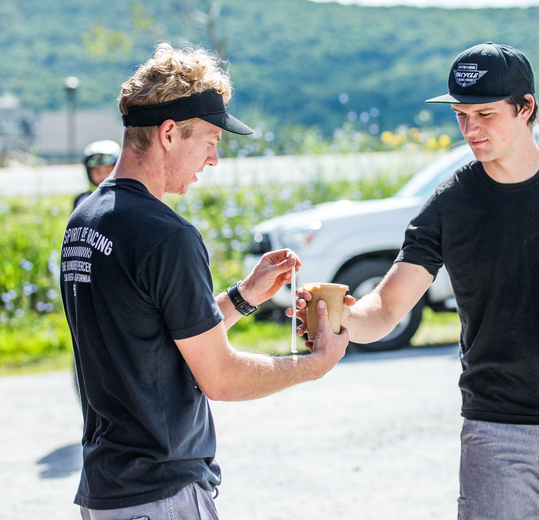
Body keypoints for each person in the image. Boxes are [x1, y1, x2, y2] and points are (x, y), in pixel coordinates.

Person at [297, 42, 539, 519]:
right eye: (460, 114)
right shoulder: (451, 203)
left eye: (485, 114)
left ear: (525, 107)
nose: (470, 129)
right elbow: (386, 309)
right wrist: (337, 316)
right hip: (495, 428)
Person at [60, 43, 349, 519]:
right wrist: (314, 365)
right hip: (161, 492)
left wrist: (245, 295)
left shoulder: (86, 220)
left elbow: (154, 334)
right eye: (211, 141)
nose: (214, 159)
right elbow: (220, 376)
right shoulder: (166, 236)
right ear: (170, 133)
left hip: (107, 487)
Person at [73, 139, 121, 209]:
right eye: (97, 171)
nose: (103, 176)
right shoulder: (83, 200)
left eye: (108, 170)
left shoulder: (124, 196)